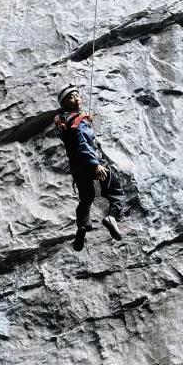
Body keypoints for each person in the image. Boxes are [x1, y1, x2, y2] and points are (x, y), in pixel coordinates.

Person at [54, 86, 127, 251]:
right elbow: (83, 142)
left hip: (77, 168)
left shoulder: (63, 121)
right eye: (72, 97)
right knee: (115, 190)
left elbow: (74, 144)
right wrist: (96, 165)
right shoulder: (79, 120)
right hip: (91, 163)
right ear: (65, 103)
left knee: (86, 198)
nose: (78, 99)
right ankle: (112, 218)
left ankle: (82, 227)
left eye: (78, 95)